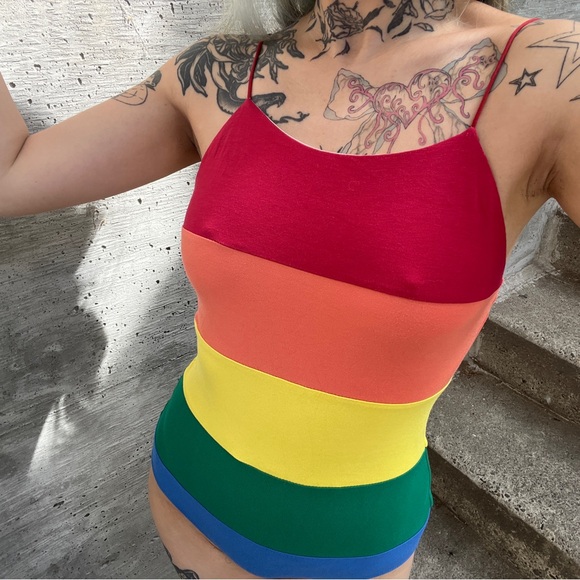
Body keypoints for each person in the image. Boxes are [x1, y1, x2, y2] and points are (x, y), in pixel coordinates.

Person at [1, 0, 579, 578]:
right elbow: (12, 172)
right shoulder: (220, 71)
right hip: (185, 484)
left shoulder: (553, 72)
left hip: (347, 547)